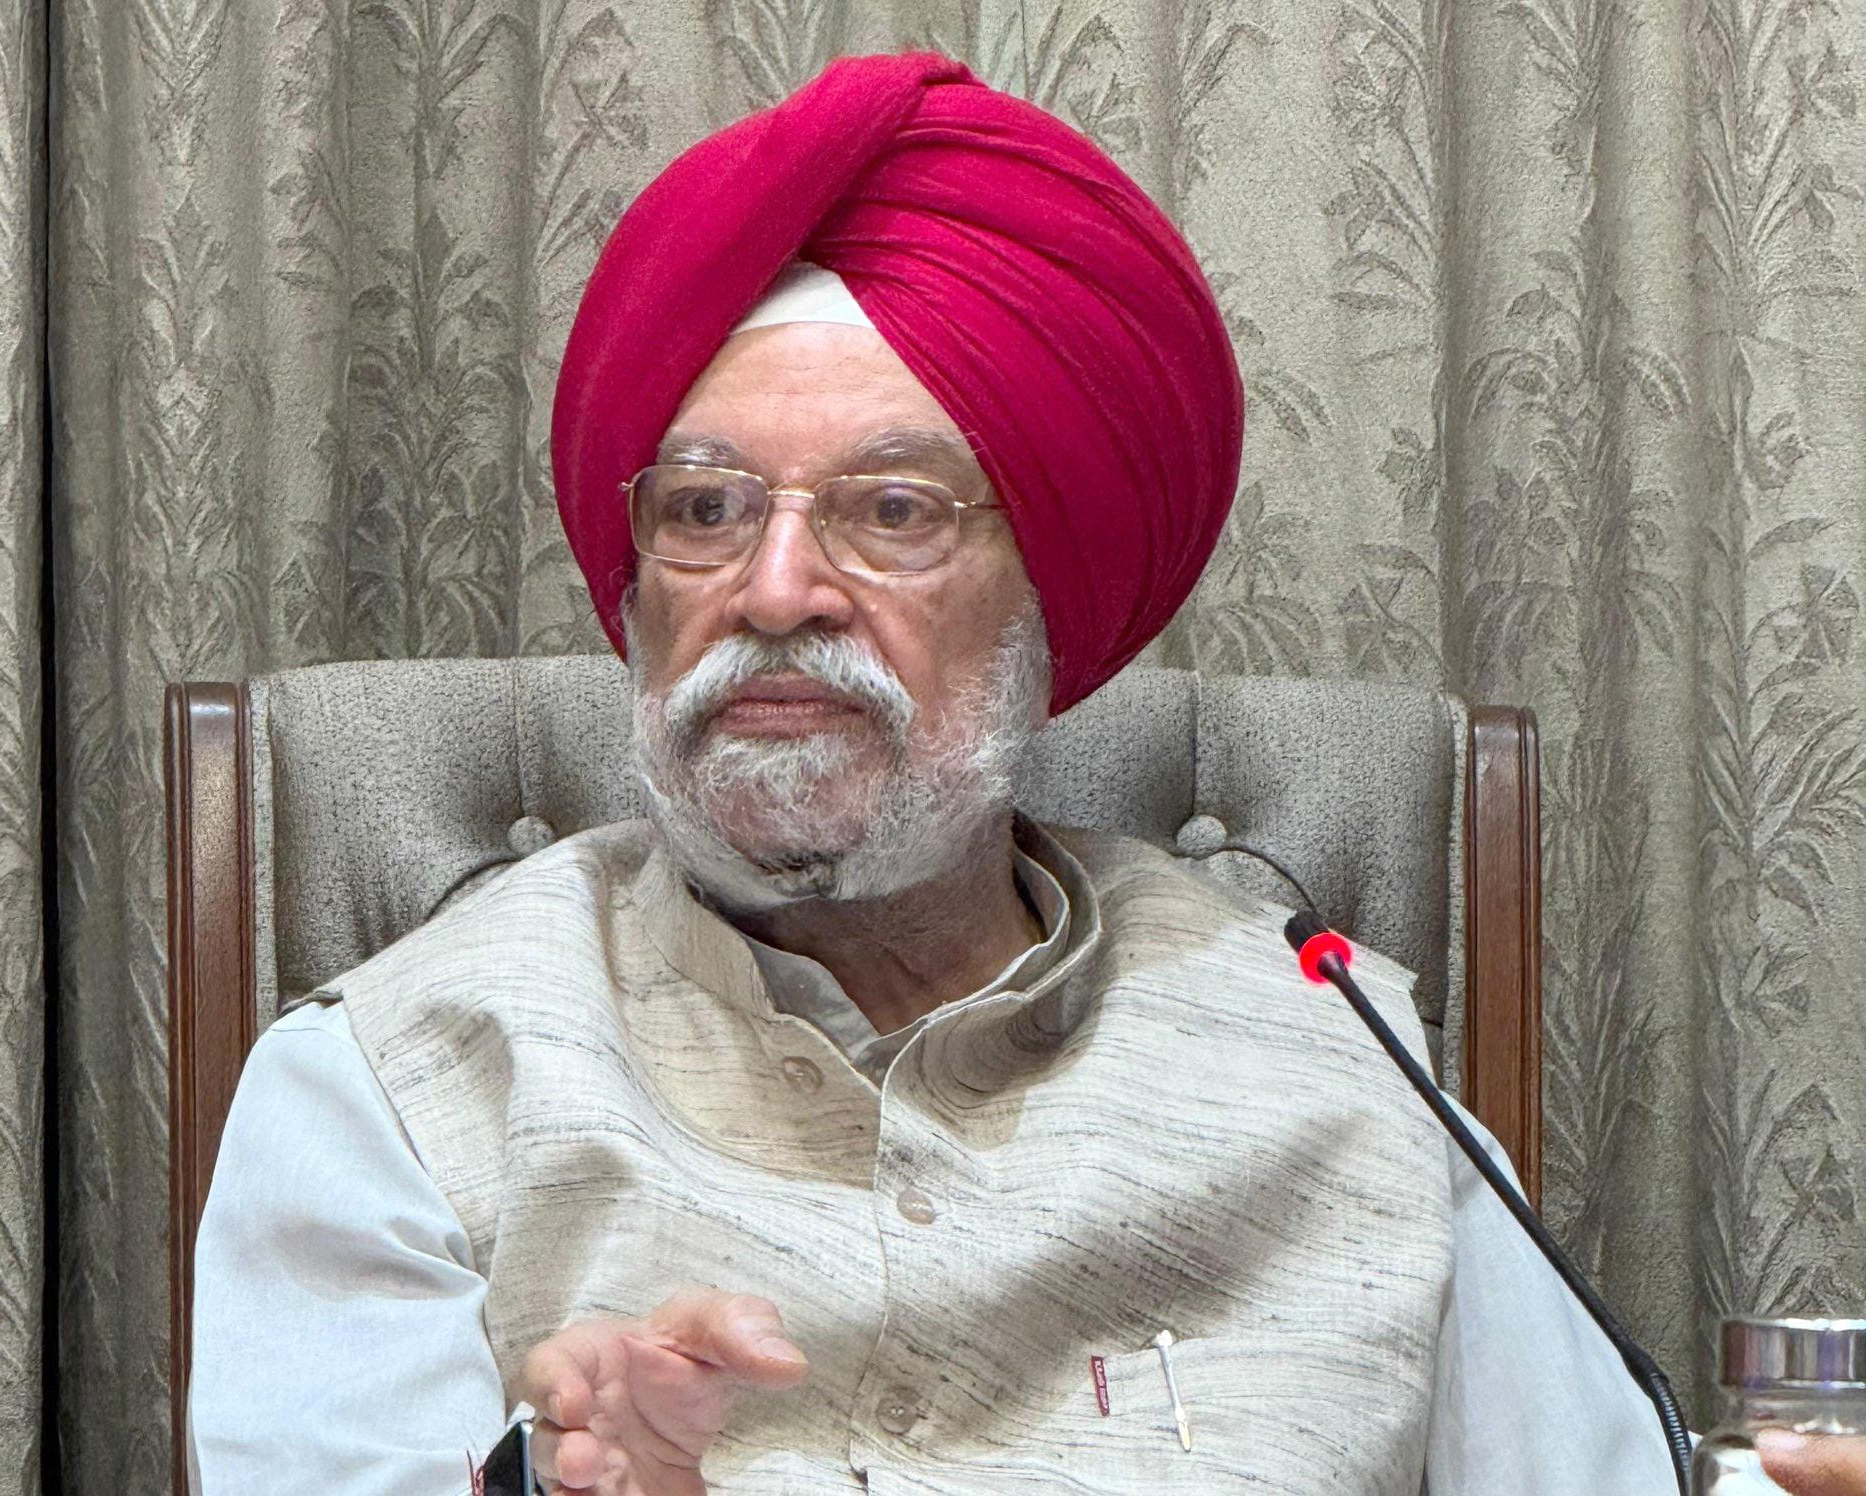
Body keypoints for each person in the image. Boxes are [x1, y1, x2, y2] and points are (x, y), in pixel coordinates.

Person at [186, 53, 1697, 1495]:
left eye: (893, 510)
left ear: (1045, 601)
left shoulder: (1348, 1057)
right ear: (637, 590)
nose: (776, 589)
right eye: (705, 510)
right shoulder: (387, 1085)